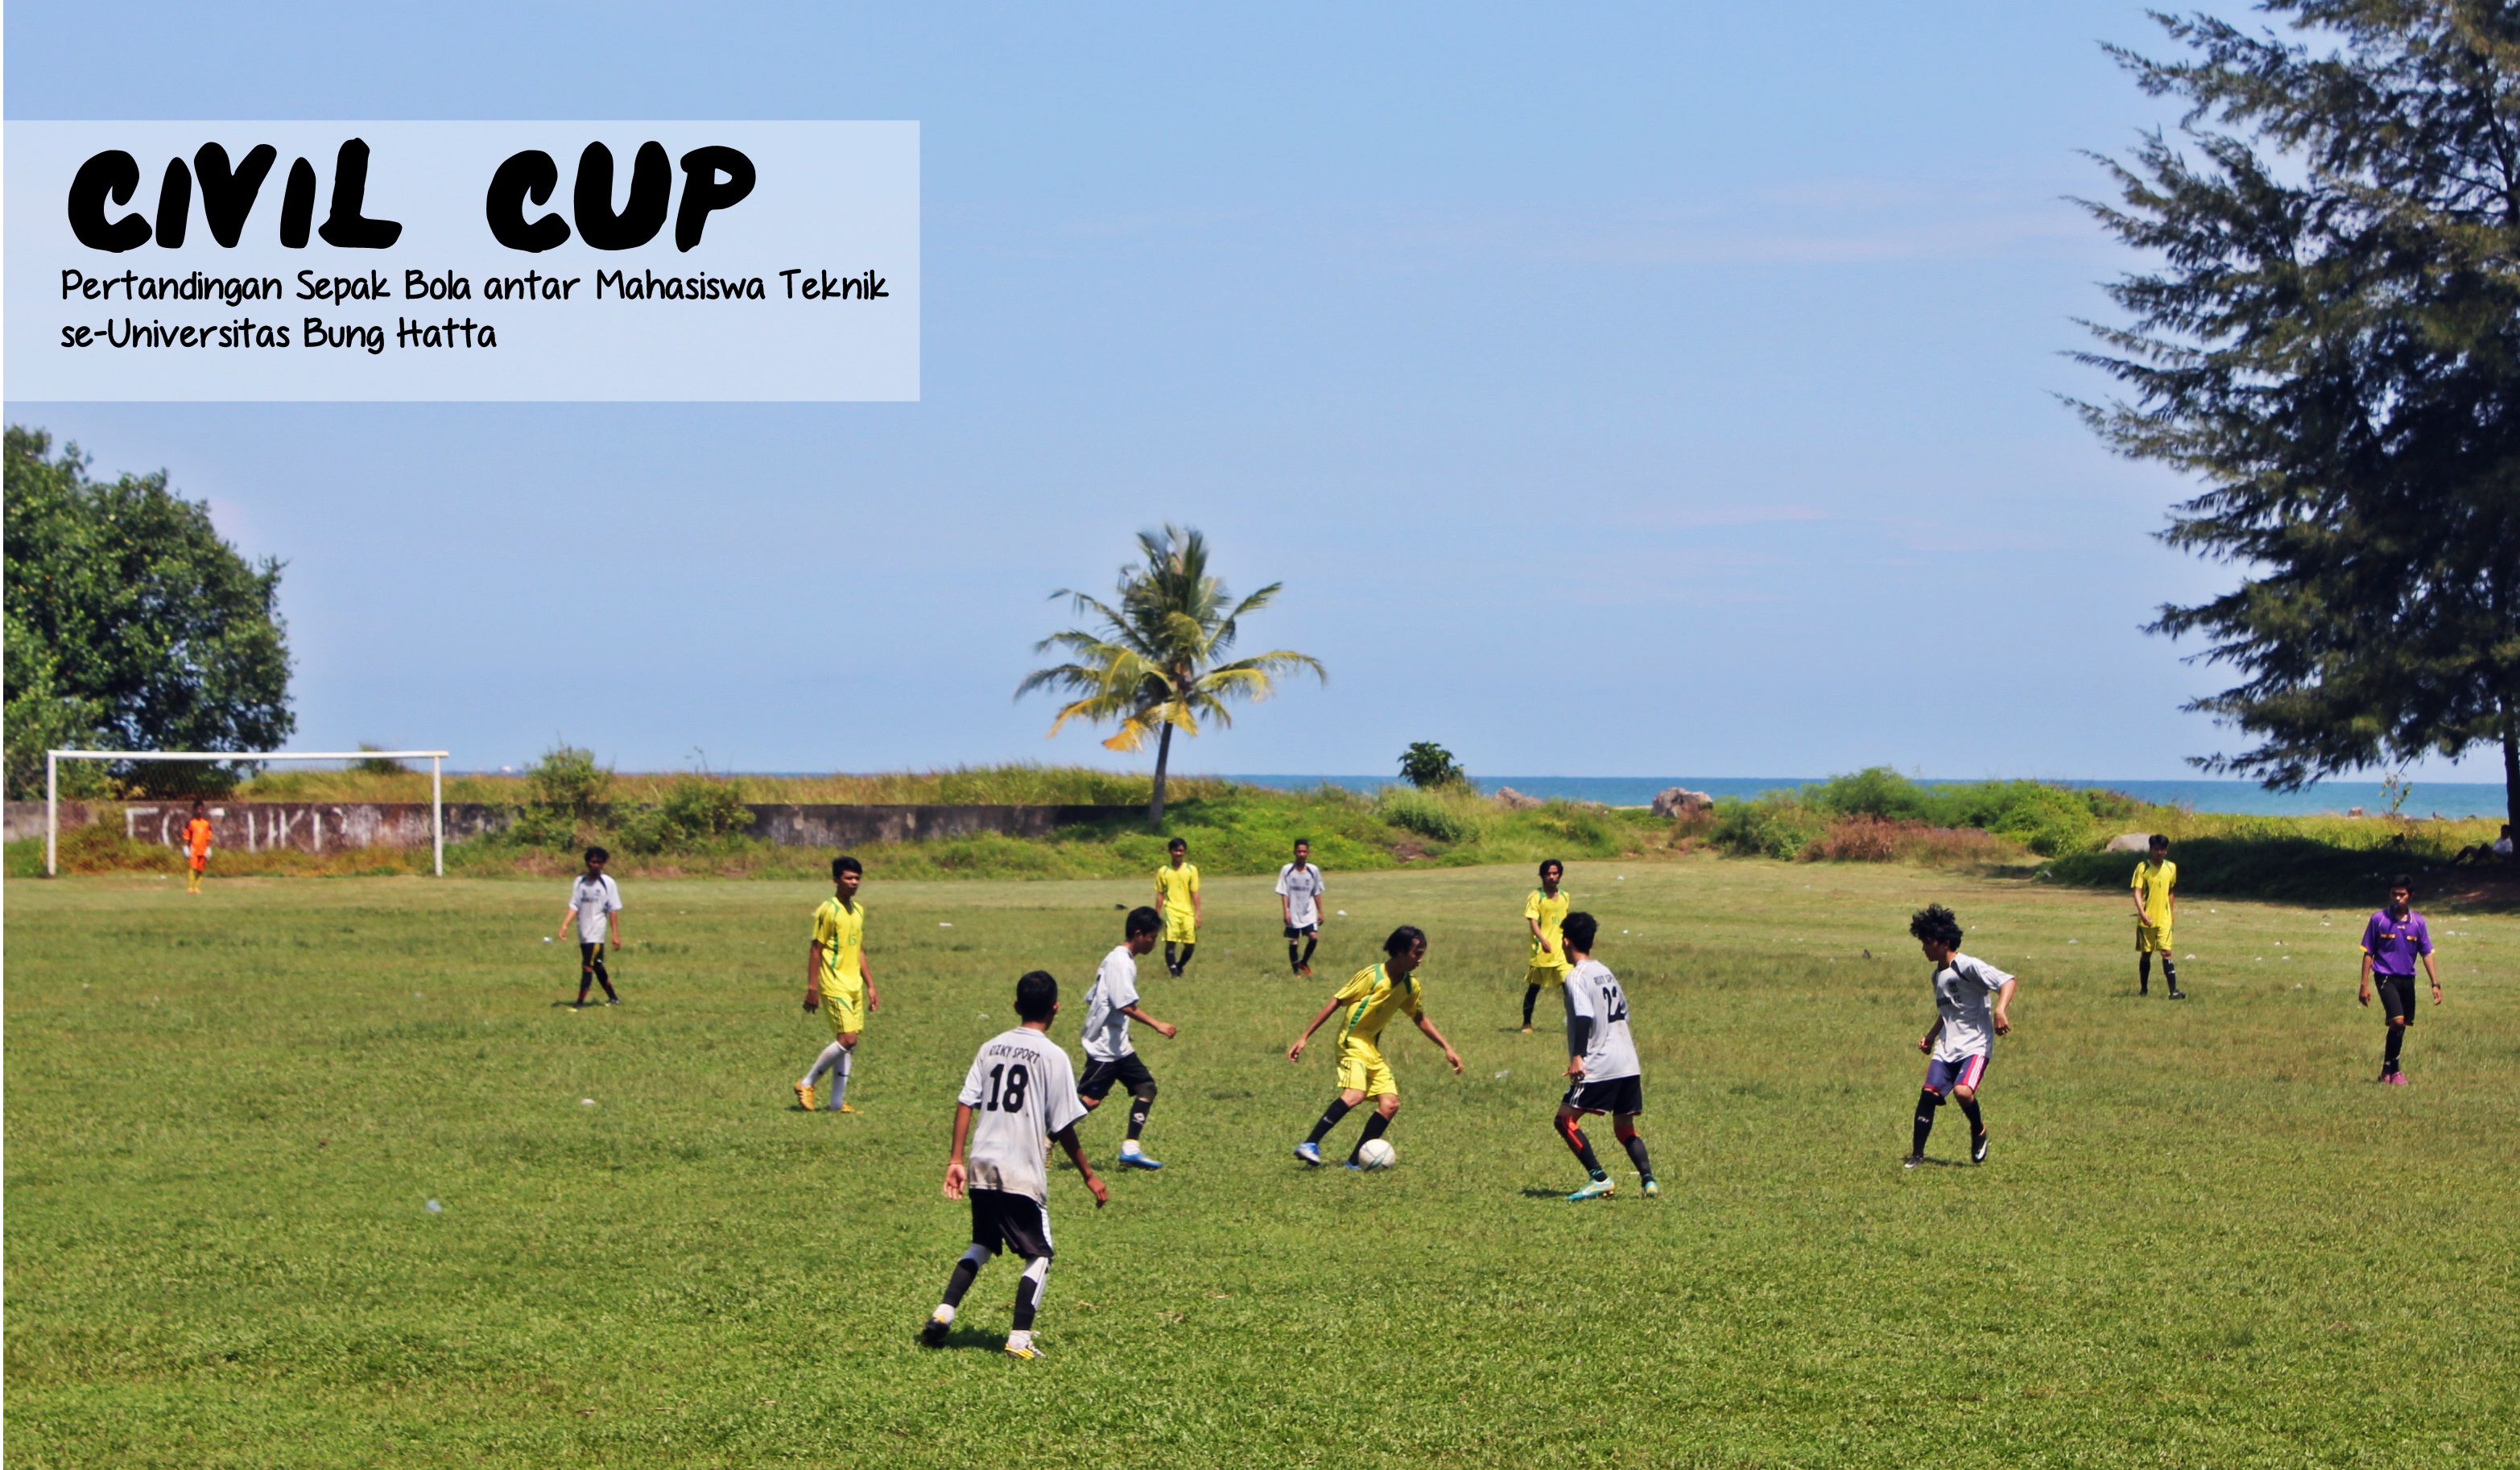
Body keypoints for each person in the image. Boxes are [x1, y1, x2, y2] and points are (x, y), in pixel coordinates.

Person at [920, 970, 1109, 1360]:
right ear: (1056, 1008)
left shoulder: (991, 1047)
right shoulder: (1053, 1056)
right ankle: (1020, 1340)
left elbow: (965, 1102)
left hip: (981, 1163)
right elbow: (1064, 1126)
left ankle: (943, 1314)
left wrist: (955, 1159)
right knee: (1040, 1254)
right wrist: (1089, 1175)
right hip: (1021, 1170)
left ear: (1016, 1006)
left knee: (983, 1243)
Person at [1287, 925, 1464, 1168]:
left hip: (1371, 1048)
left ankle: (1354, 1162)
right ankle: (1310, 1143)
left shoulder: (1410, 986)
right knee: (1355, 1094)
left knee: (1390, 1105)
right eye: (1417, 953)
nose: (1420, 959)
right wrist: (1304, 1037)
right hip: (1352, 1043)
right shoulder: (1372, 976)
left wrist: (1447, 1047)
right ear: (1400, 951)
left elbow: (1419, 1018)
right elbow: (1336, 1001)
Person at [1554, 911, 1657, 1202]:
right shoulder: (1604, 971)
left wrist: (1578, 1056)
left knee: (1564, 1120)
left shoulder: (1576, 976)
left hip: (1602, 1061)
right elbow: (1623, 1011)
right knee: (1624, 1127)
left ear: (1566, 941)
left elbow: (1584, 1016)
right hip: (1628, 1061)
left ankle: (1599, 1178)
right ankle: (1648, 1180)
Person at [1905, 903, 2016, 1170]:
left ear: (1944, 943)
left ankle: (1978, 1129)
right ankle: (1917, 1156)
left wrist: (2000, 1010)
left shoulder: (1967, 966)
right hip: (1947, 1046)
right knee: (1928, 1094)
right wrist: (1931, 1036)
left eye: (1927, 942)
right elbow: (1947, 1011)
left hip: (1975, 1045)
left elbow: (2007, 981)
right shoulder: (1937, 975)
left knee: (1963, 1092)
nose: (1924, 949)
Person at [1077, 906, 1179, 1169]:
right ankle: (1045, 1141)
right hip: (1105, 1048)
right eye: (1152, 937)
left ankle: (1131, 1149)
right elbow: (1124, 1005)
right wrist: (1157, 1024)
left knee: (1147, 1089)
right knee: (1089, 1101)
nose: (1154, 943)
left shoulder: (1122, 959)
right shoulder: (1120, 962)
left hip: (1118, 1045)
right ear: (1138, 934)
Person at [798, 855, 879, 1113]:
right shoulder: (828, 910)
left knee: (849, 1043)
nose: (854, 882)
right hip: (834, 983)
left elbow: (859, 949)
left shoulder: (858, 911)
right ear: (836, 880)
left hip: (853, 984)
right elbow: (816, 949)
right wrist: (812, 988)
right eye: (848, 878)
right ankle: (806, 1083)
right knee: (847, 1039)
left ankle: (836, 1102)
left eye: (857, 878)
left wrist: (870, 985)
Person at [2358, 875, 2442, 1085]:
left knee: (2401, 1025)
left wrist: (2435, 984)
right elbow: (2368, 952)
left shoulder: (2418, 923)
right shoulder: (2379, 920)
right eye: (2394, 893)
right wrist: (2364, 985)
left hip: (2407, 979)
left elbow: (2426, 953)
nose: (2397, 898)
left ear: (2410, 896)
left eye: (2402, 894)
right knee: (2397, 1020)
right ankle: (2392, 1070)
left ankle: (2389, 1071)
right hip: (2385, 977)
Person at [558, 846, 623, 1005]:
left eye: (599, 862)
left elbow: (613, 910)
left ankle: (579, 1003)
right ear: (587, 862)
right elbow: (574, 905)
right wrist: (565, 925)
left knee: (587, 966)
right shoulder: (580, 882)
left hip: (597, 932)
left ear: (603, 863)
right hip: (583, 931)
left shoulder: (608, 883)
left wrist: (615, 935)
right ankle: (613, 998)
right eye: (593, 862)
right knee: (597, 966)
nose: (596, 865)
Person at [1519, 859, 1572, 1031]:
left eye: (1555, 873)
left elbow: (1565, 921)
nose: (1551, 877)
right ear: (1542, 876)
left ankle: (1574, 1022)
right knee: (1534, 988)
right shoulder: (1536, 897)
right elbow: (1533, 920)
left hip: (1561, 952)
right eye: (1548, 874)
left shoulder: (1565, 896)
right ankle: (1527, 1023)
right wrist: (1542, 939)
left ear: (1560, 875)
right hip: (1542, 951)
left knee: (1569, 987)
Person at [2130, 833, 2183, 999]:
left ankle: (2173, 991)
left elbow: (2170, 891)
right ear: (2151, 849)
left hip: (2164, 919)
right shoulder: (2143, 868)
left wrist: (2172, 913)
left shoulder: (2171, 868)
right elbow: (2137, 892)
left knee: (2166, 952)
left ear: (2166, 850)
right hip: (2147, 918)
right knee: (2146, 953)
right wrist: (2142, 913)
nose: (2159, 852)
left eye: (2162, 849)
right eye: (2156, 849)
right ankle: (2144, 989)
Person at [1276, 839, 1327, 977]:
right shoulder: (1287, 870)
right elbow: (1284, 892)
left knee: (1314, 937)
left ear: (1308, 853)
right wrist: (1286, 911)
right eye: (1299, 851)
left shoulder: (1313, 870)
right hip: (1293, 912)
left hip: (1309, 911)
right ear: (1294, 852)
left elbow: (1317, 892)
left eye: (1304, 851)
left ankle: (1304, 962)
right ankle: (1296, 973)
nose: (1302, 854)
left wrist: (1321, 912)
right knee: (1294, 942)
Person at [1155, 837, 1202, 976]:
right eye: (1176, 850)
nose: (1178, 853)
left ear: (1184, 852)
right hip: (1171, 911)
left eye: (1181, 851)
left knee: (1190, 944)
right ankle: (1174, 972)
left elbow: (1195, 892)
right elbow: (1160, 894)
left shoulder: (1191, 870)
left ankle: (1180, 965)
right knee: (1171, 942)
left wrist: (1198, 913)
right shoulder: (1163, 871)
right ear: (1170, 851)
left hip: (1187, 912)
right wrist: (1156, 915)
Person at [181, 801, 214, 894]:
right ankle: (190, 887)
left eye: (201, 809)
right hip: (193, 849)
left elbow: (209, 836)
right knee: (193, 868)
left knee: (200, 869)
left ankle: (197, 888)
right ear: (194, 810)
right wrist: (186, 847)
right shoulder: (191, 823)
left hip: (203, 850)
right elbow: (187, 835)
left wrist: (208, 848)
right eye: (198, 809)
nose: (200, 811)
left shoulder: (206, 823)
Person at [2448, 823, 2513, 866]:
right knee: (2468, 848)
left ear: (2508, 833)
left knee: (2485, 845)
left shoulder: (2508, 842)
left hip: (2496, 859)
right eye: (2502, 831)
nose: (2502, 833)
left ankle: (2474, 862)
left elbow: (2509, 855)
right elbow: (2494, 847)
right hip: (2488, 855)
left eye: (2505, 832)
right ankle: (2454, 862)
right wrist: (2491, 849)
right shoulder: (2499, 839)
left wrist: (2495, 853)